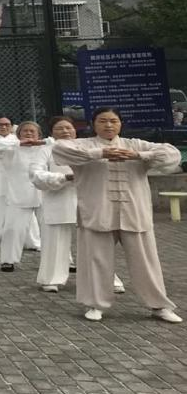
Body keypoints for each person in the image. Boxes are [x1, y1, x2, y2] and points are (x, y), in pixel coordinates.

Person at [52, 107, 182, 323]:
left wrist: (138, 155)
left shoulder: (135, 144)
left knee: (146, 262)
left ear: (120, 124)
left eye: (113, 121)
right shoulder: (82, 145)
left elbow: (172, 155)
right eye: (103, 121)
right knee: (96, 261)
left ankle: (159, 305)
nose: (108, 125)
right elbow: (60, 150)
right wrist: (101, 153)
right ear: (93, 124)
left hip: (134, 212)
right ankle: (95, 304)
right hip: (97, 212)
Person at [30, 116, 123, 293]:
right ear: (51, 132)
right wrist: (65, 177)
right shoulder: (45, 151)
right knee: (55, 242)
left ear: (75, 130)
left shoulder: (88, 147)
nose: (65, 131)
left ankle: (108, 279)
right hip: (58, 200)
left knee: (96, 242)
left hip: (90, 199)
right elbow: (36, 175)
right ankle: (51, 278)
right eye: (60, 128)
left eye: (68, 128)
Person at [0, 121, 45, 271]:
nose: (28, 134)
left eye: (32, 131)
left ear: (39, 134)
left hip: (44, 194)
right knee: (12, 228)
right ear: (18, 134)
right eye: (25, 131)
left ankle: (65, 261)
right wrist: (17, 143)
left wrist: (44, 143)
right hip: (18, 195)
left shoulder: (45, 148)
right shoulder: (10, 148)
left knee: (52, 229)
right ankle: (8, 260)